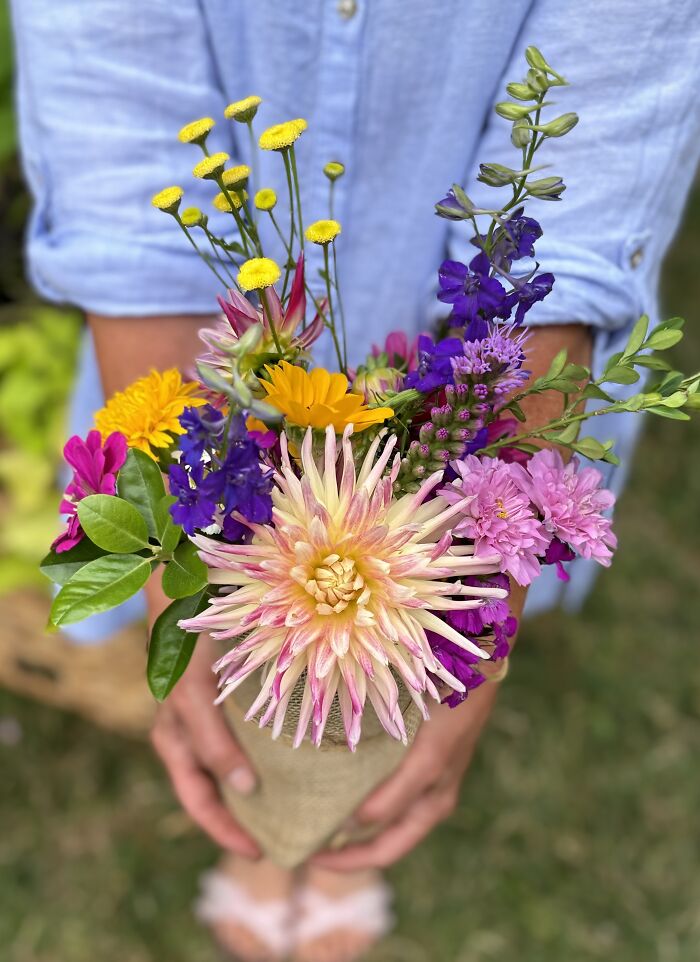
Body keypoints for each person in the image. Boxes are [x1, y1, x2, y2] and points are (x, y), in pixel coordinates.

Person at [9, 1, 700, 960]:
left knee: (407, 663)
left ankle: (343, 832)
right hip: (228, 370)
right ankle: (275, 824)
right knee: (257, 659)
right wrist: (187, 567)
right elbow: (116, 127)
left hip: (464, 385)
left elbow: (590, 180)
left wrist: (476, 631)